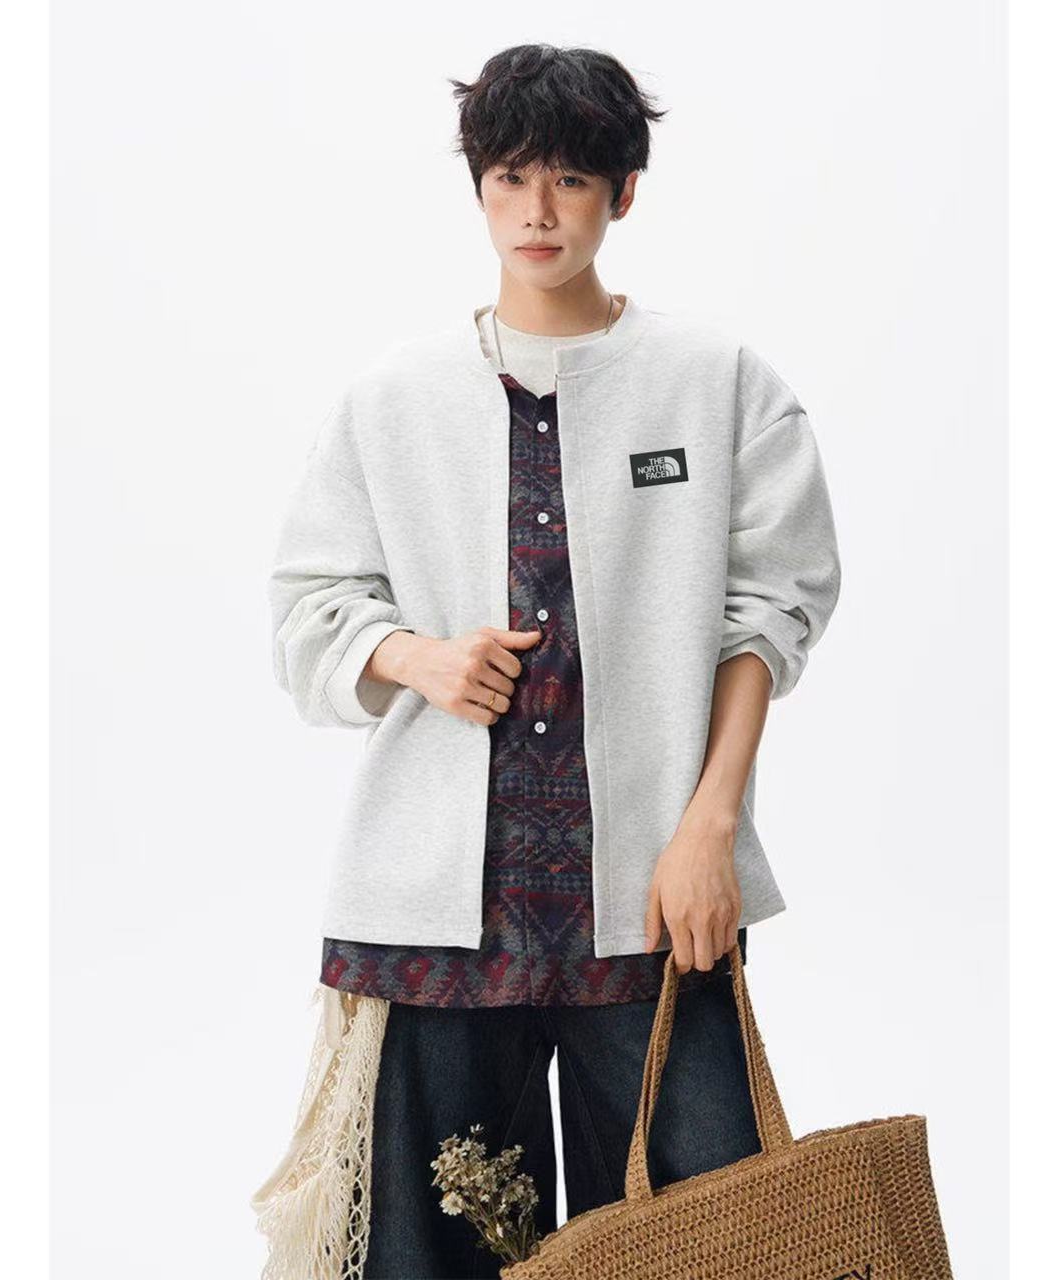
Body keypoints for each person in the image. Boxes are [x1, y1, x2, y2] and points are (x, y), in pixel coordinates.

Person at [263, 42, 841, 1280]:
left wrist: (709, 825)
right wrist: (414, 656)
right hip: (439, 919)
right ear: (478, 190)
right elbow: (309, 609)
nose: (537, 210)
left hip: (654, 904)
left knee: (711, 1246)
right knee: (435, 1253)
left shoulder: (716, 383)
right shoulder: (391, 397)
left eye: (570, 179)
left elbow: (769, 611)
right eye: (511, 178)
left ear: (622, 193)